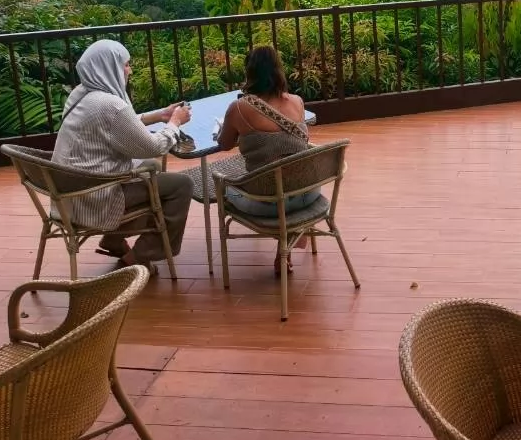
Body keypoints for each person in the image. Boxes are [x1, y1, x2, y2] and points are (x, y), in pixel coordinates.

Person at [51, 39, 193, 274]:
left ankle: (113, 239)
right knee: (181, 185)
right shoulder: (110, 105)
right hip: (95, 201)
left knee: (151, 168)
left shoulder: (82, 94)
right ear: (109, 67)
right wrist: (175, 123)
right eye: (126, 64)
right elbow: (154, 146)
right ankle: (139, 256)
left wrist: (160, 115)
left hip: (70, 196)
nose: (130, 70)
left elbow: (117, 125)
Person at [216, 47, 323, 264]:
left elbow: (224, 144)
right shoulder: (297, 101)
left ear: (249, 72)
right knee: (286, 173)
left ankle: (283, 243)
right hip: (308, 194)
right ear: (278, 70)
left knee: (224, 188)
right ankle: (285, 250)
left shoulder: (238, 108)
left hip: (268, 204)